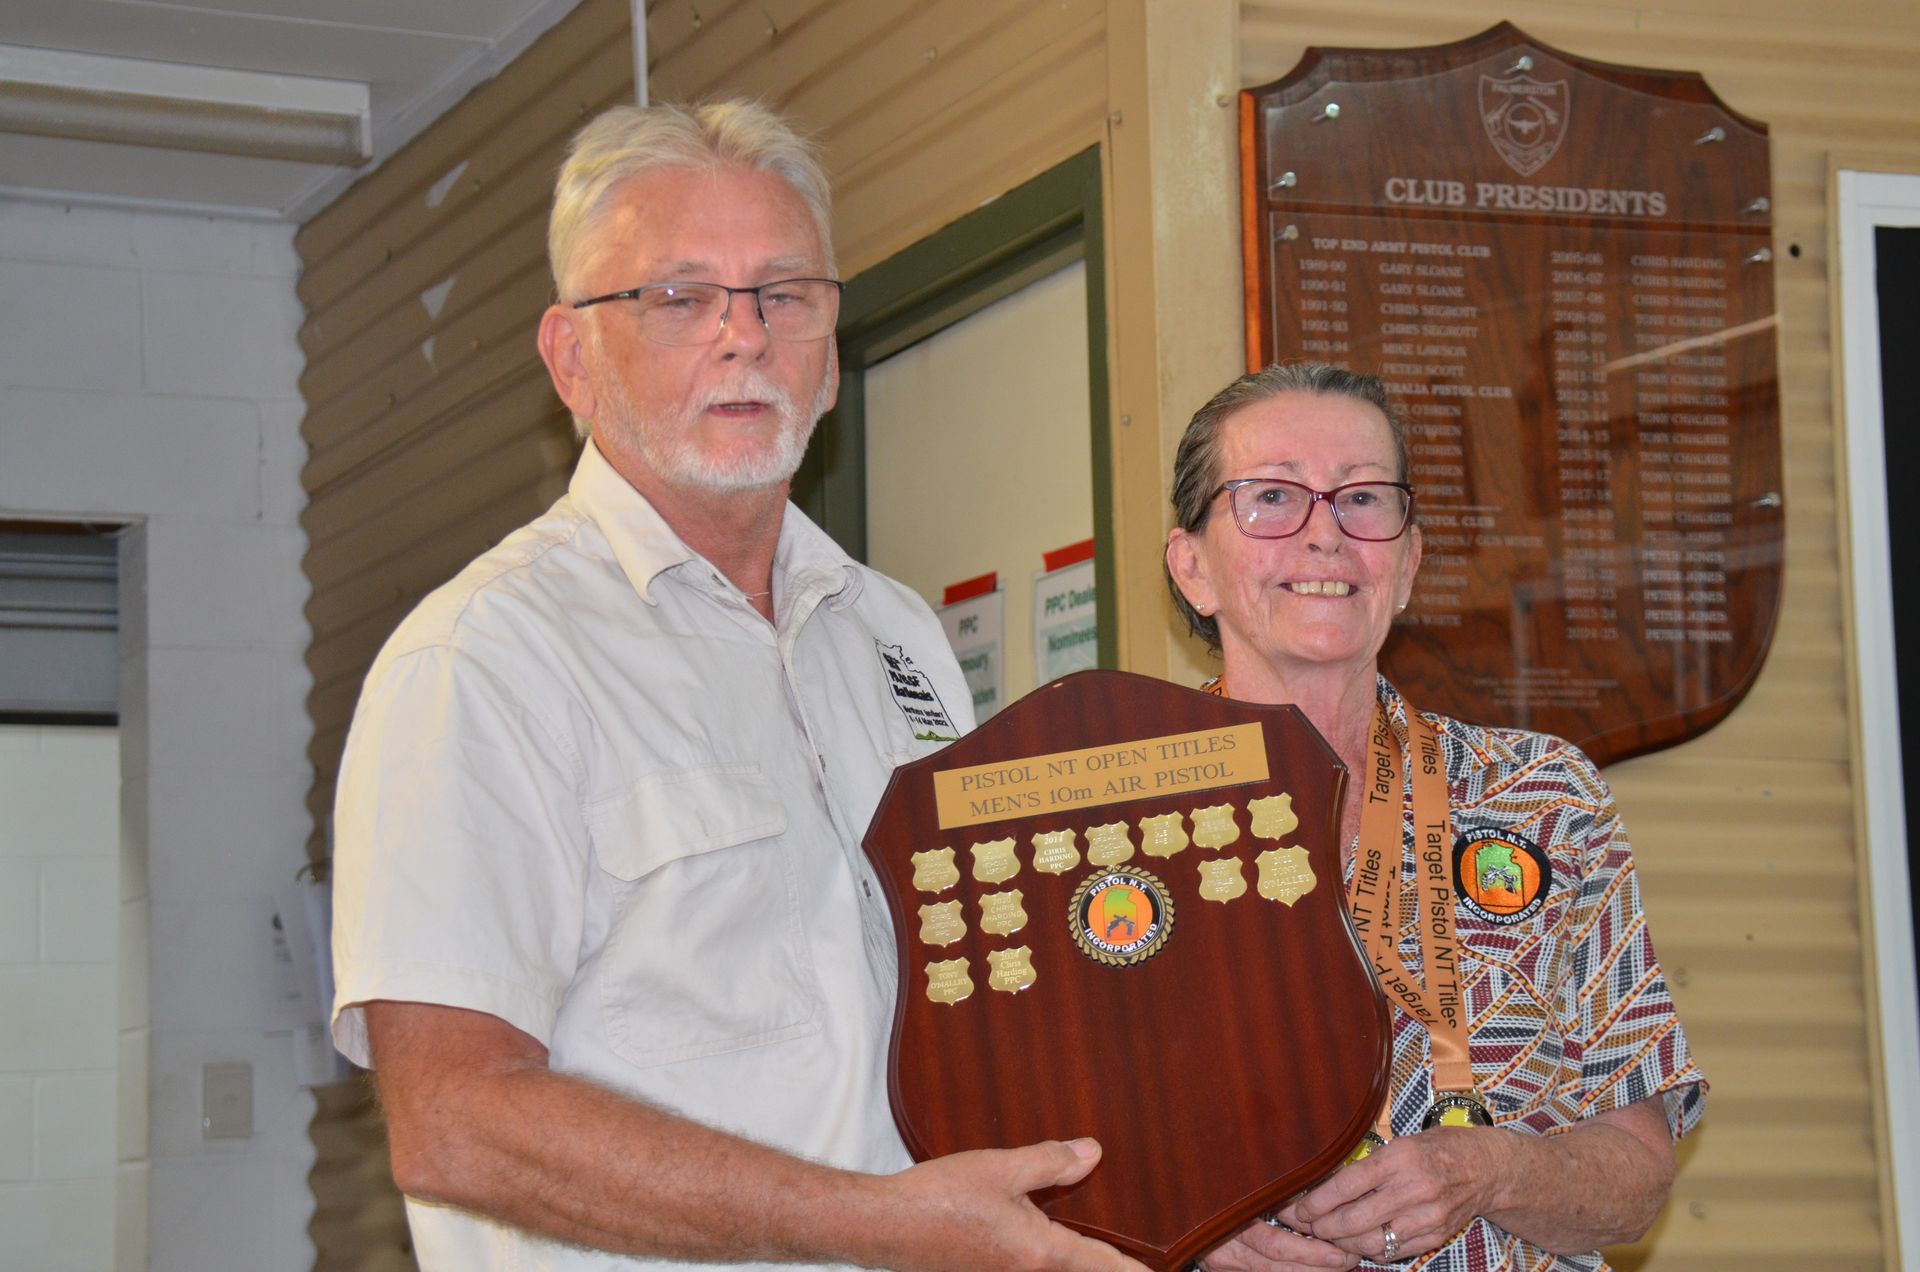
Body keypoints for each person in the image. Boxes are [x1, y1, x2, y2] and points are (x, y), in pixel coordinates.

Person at [329, 100, 1146, 1272]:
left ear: (827, 351)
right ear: (571, 356)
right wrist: (878, 1225)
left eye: (784, 294)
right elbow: (457, 1125)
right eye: (677, 297)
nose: (743, 337)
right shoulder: (483, 661)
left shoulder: (896, 633)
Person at [1161, 363, 1706, 1272]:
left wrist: (1492, 1170)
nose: (1325, 535)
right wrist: (1176, 1218)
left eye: (1364, 500)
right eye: (1271, 498)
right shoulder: (1110, 811)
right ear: (1192, 566)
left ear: (1407, 562)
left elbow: (1639, 1178)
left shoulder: (1543, 797)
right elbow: (1038, 1149)